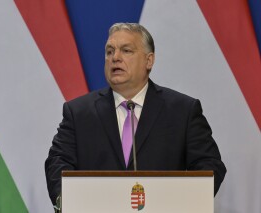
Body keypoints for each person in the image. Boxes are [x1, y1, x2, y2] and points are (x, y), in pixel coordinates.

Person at [45, 23, 226, 207]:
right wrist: (68, 203)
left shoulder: (183, 110)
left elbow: (209, 164)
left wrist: (184, 204)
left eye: (126, 51)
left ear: (149, 60)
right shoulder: (78, 113)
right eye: (109, 52)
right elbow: (57, 162)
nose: (115, 58)